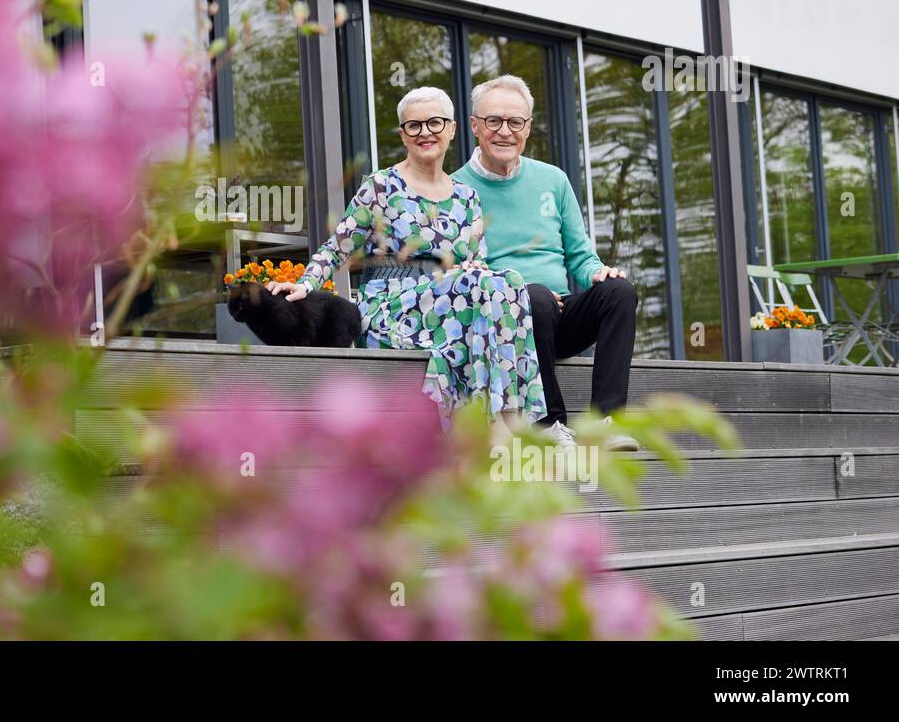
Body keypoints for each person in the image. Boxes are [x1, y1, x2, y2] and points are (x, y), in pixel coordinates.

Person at [266, 86, 546, 430]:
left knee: (512, 281)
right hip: (391, 307)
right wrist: (305, 283)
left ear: (453, 129)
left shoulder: (467, 197)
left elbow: (479, 265)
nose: (425, 132)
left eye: (435, 123)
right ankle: (501, 427)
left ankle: (507, 419)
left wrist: (473, 270)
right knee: (484, 286)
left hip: (450, 304)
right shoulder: (381, 186)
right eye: (414, 126)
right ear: (403, 135)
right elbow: (336, 247)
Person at [452, 74, 640, 451]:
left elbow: (581, 255)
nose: (505, 131)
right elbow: (465, 270)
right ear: (475, 125)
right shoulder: (455, 189)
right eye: (494, 121)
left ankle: (606, 421)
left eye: (515, 122)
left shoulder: (553, 180)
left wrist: (596, 272)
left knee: (619, 290)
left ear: (528, 128)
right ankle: (548, 423)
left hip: (561, 313)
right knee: (532, 297)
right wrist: (518, 291)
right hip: (508, 321)